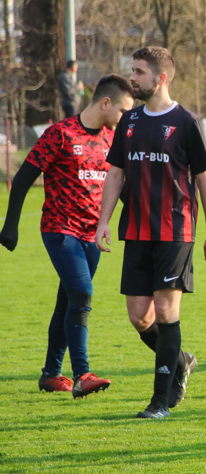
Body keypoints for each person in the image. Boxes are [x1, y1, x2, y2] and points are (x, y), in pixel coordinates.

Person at [96, 46, 206, 418]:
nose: (132, 78)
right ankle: (181, 360)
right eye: (132, 71)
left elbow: (204, 180)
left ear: (160, 77)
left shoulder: (186, 121)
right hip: (136, 230)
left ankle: (160, 402)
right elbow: (116, 174)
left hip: (176, 230)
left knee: (167, 310)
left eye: (138, 72)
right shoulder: (130, 122)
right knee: (139, 315)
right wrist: (104, 221)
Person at [0, 75, 135, 397]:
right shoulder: (60, 134)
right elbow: (21, 180)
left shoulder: (111, 141)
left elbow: (122, 189)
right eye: (122, 111)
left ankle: (50, 374)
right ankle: (83, 373)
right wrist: (10, 226)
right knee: (82, 293)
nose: (125, 119)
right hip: (61, 230)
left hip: (93, 235)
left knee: (68, 301)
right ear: (105, 103)